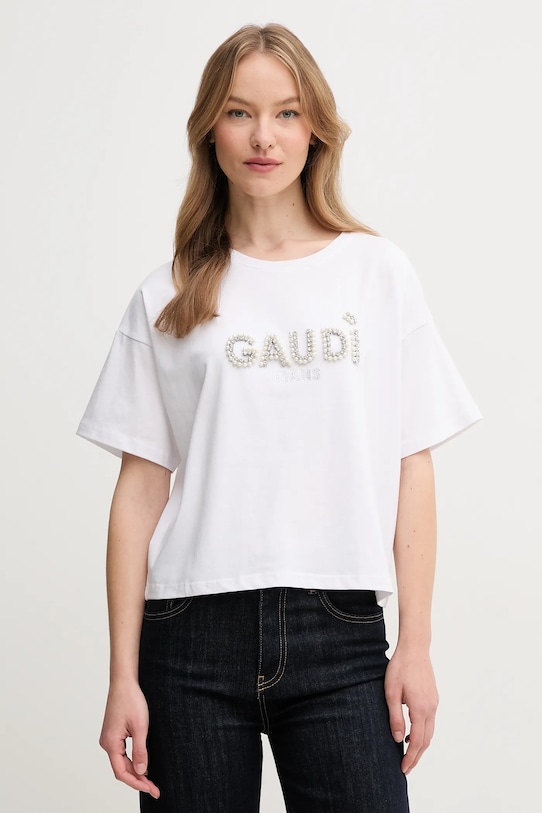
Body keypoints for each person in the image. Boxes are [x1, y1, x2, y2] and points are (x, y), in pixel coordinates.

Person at [77, 23, 481, 813]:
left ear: (316, 129)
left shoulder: (376, 273)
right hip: (189, 637)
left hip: (341, 631)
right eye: (239, 112)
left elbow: (412, 464)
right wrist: (123, 675)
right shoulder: (168, 293)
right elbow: (138, 492)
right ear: (210, 130)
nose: (264, 136)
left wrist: (417, 644)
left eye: (287, 113)